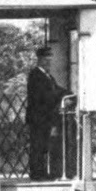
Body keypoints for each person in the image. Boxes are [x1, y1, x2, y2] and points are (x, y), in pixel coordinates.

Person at [25, 47, 70, 181]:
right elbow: (45, 95)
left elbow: (56, 89)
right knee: (37, 145)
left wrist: (68, 93)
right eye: (45, 60)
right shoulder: (35, 75)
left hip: (45, 117)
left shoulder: (48, 76)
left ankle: (42, 172)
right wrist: (60, 96)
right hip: (37, 117)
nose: (48, 62)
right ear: (39, 60)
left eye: (49, 60)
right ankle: (36, 174)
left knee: (44, 145)